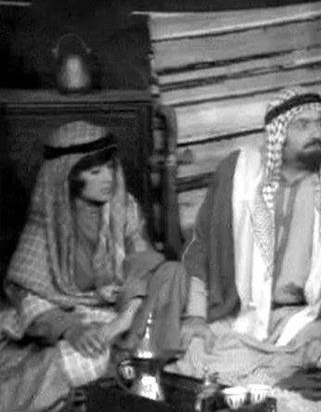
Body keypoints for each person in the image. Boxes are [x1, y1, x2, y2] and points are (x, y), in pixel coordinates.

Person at [171, 88, 321, 386]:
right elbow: (200, 248)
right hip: (240, 315)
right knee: (192, 347)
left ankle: (253, 370)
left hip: (303, 321)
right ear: (277, 134)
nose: (316, 133)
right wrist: (195, 317)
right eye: (303, 125)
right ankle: (276, 372)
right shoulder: (237, 174)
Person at [0, 121, 187, 411]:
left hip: (122, 317)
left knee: (172, 273)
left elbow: (142, 264)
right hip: (74, 320)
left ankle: (131, 363)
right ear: (69, 176)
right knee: (84, 360)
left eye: (110, 168)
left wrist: (121, 322)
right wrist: (72, 329)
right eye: (95, 172)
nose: (108, 178)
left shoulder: (124, 208)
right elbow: (28, 294)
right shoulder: (48, 221)